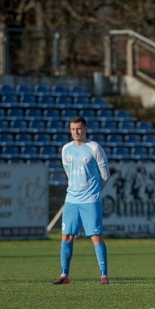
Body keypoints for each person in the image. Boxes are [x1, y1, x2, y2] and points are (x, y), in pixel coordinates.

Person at [54, 115, 110, 285]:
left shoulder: (94, 148)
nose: (76, 132)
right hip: (71, 199)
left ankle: (103, 275)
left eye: (78, 128)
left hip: (90, 201)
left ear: (85, 129)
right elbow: (68, 171)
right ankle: (64, 275)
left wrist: (94, 192)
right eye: (72, 129)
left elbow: (105, 175)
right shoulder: (66, 149)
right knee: (66, 236)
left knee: (96, 236)